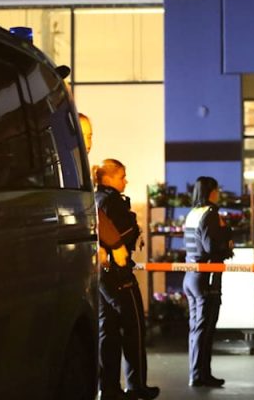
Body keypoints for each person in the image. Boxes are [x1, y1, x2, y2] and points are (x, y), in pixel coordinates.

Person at [96, 159, 160, 400]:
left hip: (101, 276)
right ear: (109, 178)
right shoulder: (113, 202)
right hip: (120, 273)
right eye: (122, 176)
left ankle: (109, 388)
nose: (126, 181)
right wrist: (135, 231)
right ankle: (136, 385)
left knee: (108, 331)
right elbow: (124, 233)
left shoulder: (94, 199)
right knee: (134, 329)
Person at [183, 176, 234, 387]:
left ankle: (200, 373)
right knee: (205, 328)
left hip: (191, 275)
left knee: (197, 328)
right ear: (212, 192)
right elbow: (211, 247)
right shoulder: (210, 214)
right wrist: (227, 239)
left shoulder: (192, 213)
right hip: (206, 276)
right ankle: (199, 375)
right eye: (217, 190)